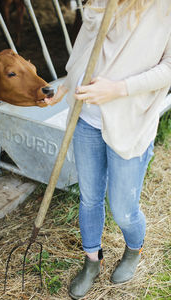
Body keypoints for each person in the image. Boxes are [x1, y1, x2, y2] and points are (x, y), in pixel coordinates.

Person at [44, 0, 171, 299]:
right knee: (89, 197)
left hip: (130, 119)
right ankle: (91, 260)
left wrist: (118, 88)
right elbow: (86, 45)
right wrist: (67, 81)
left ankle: (133, 249)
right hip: (86, 116)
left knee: (124, 210)